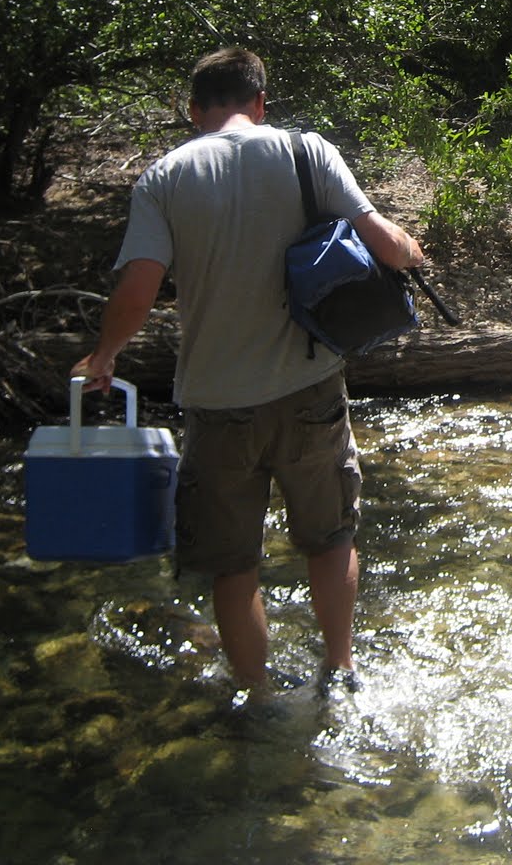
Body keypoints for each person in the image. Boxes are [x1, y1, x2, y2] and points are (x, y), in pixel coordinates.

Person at [73, 46, 425, 690]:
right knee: (330, 538)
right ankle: (340, 671)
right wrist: (413, 251)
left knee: (234, 566)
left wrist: (104, 356)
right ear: (261, 103)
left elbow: (139, 287)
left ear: (193, 110)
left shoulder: (164, 178)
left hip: (216, 402)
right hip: (309, 387)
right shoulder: (305, 150)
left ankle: (256, 694)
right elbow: (387, 245)